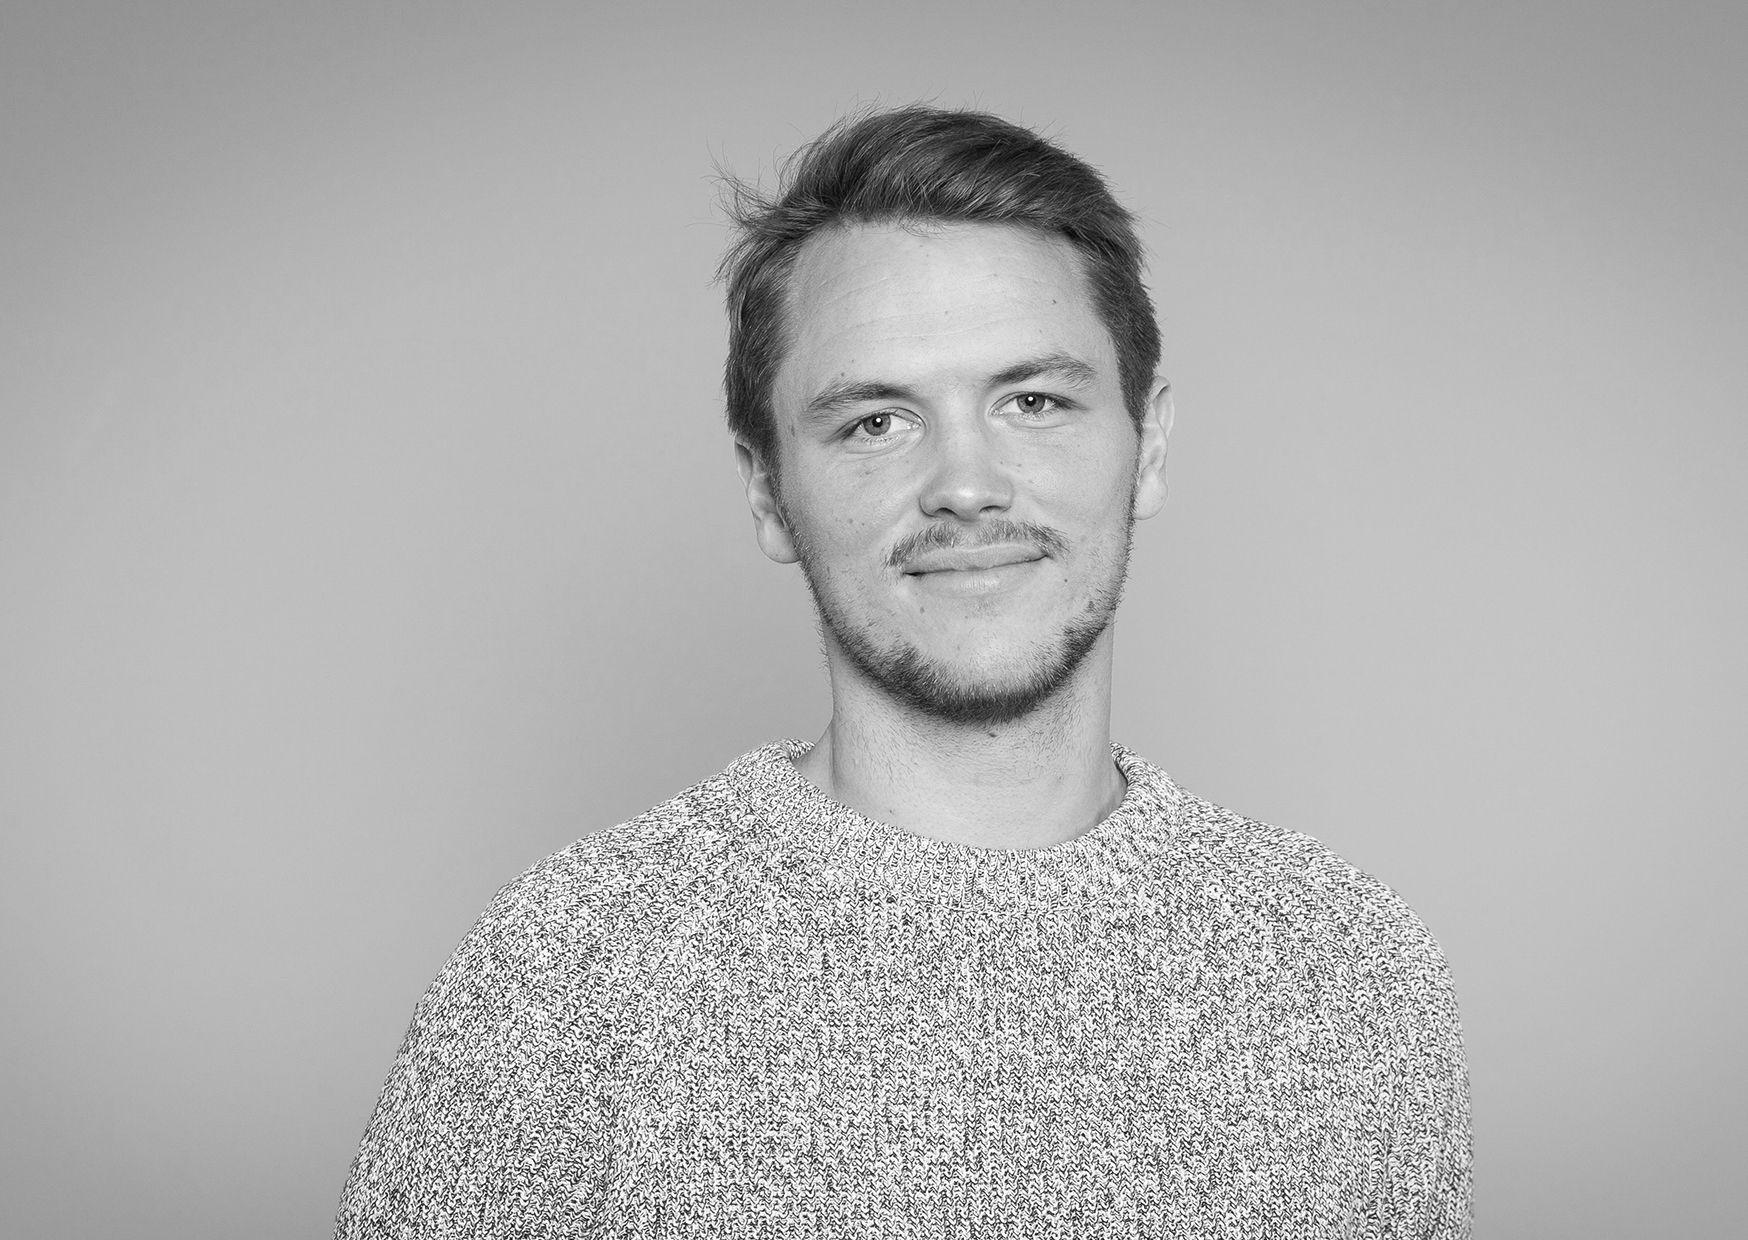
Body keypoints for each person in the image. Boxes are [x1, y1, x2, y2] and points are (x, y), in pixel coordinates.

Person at [335, 105, 1472, 1238]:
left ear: (1151, 446)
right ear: (767, 490)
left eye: (1034, 402)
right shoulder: (557, 980)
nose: (966, 486)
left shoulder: (1348, 973)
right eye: (876, 422)